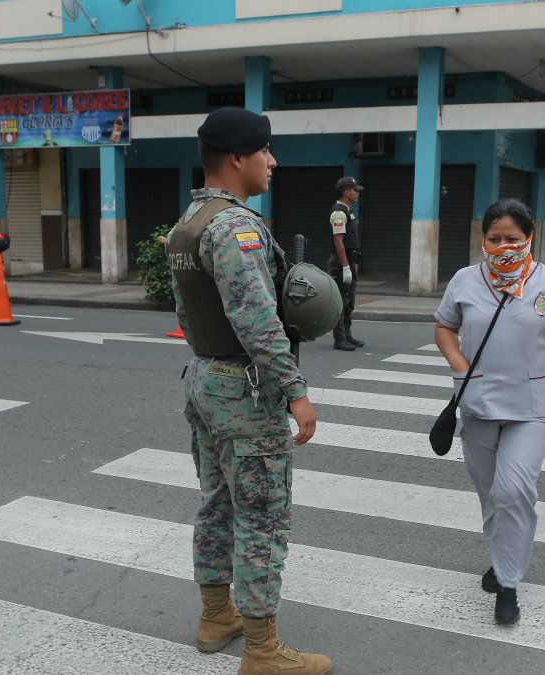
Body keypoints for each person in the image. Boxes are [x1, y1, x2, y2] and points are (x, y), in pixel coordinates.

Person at [164, 107, 330, 675]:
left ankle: (217, 616)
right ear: (237, 158)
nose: (272, 161)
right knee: (261, 516)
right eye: (265, 150)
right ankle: (263, 651)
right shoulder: (234, 229)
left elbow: (187, 315)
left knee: (217, 503)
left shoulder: (186, 224)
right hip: (243, 390)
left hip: (204, 379)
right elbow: (257, 320)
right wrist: (295, 391)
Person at [433, 198, 545, 626]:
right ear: (483, 239)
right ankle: (500, 555)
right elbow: (444, 328)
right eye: (494, 238)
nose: (503, 246)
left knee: (513, 490)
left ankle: (508, 583)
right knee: (491, 495)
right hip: (478, 405)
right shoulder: (465, 281)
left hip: (534, 407)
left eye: (512, 238)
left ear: (529, 238)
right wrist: (459, 366)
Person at [328, 176, 364, 351]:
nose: (357, 193)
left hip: (350, 261)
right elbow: (338, 242)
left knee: (349, 301)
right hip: (341, 263)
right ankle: (339, 338)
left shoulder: (348, 211)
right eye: (355, 190)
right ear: (346, 192)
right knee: (341, 301)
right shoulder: (338, 213)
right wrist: (345, 266)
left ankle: (347, 334)